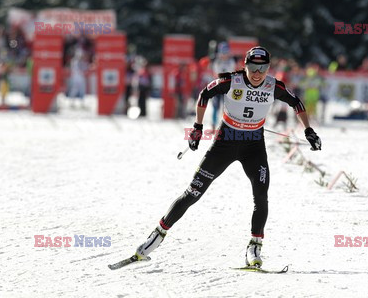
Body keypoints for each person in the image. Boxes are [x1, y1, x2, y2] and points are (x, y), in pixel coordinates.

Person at [133, 47, 321, 267]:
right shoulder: (232, 81)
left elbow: (296, 103)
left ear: (268, 68)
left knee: (261, 196)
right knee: (193, 192)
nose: (257, 73)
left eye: (262, 68)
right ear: (245, 65)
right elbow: (204, 94)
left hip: (253, 147)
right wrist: (197, 127)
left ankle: (254, 246)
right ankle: (156, 236)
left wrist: (309, 130)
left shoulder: (273, 85)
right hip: (225, 142)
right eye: (252, 67)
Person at [210, 42, 236, 129]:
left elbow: (231, 72)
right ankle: (213, 125)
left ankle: (225, 125)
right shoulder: (217, 60)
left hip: (227, 87)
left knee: (226, 108)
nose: (224, 55)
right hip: (217, 86)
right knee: (215, 106)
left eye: (226, 53)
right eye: (223, 53)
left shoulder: (231, 61)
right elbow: (215, 73)